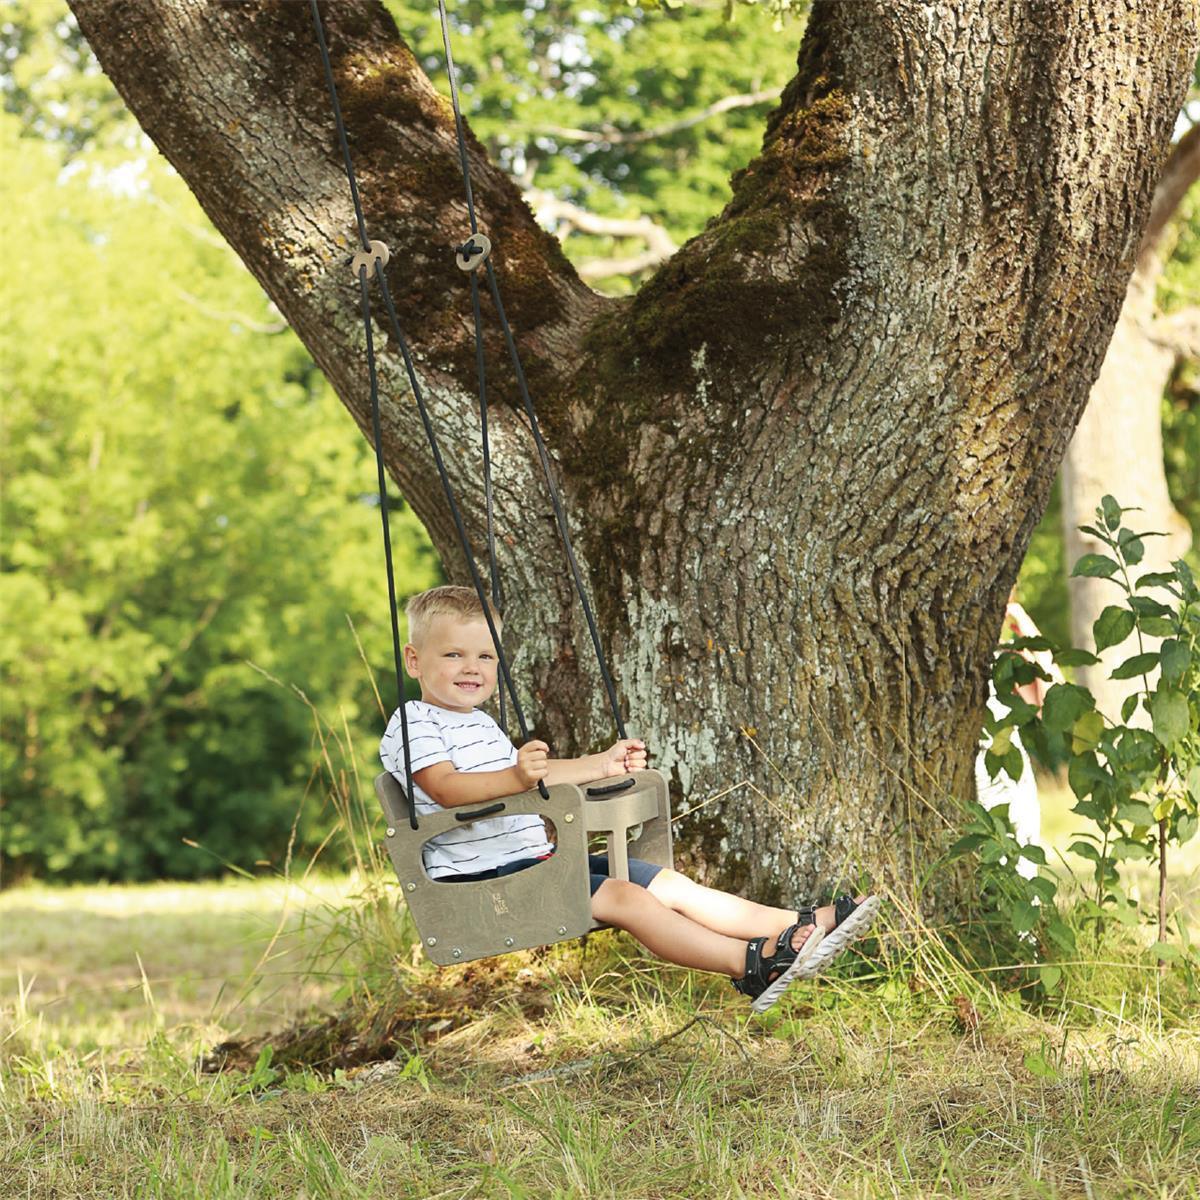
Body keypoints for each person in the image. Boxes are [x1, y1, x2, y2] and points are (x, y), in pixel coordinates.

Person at [381, 585, 879, 1012]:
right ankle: (749, 966)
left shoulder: (480, 723)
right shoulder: (413, 723)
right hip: (484, 882)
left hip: (533, 861)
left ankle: (798, 928)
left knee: (661, 882)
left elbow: (535, 776)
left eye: (485, 656)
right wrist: (514, 775)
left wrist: (601, 763)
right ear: (414, 660)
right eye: (454, 655)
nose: (472, 668)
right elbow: (445, 788)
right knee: (623, 897)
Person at [975, 596, 1063, 878]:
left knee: (1020, 867)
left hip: (1009, 777)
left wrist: (1024, 624)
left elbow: (1055, 702)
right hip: (973, 777)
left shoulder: (1006, 659)